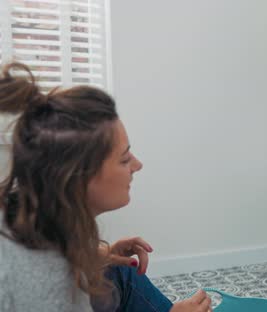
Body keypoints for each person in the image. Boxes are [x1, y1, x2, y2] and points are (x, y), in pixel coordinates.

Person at [0, 62, 211, 312]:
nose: (138, 165)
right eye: (124, 159)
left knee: (119, 270)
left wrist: (92, 256)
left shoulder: (27, 217)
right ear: (77, 178)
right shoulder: (44, 286)